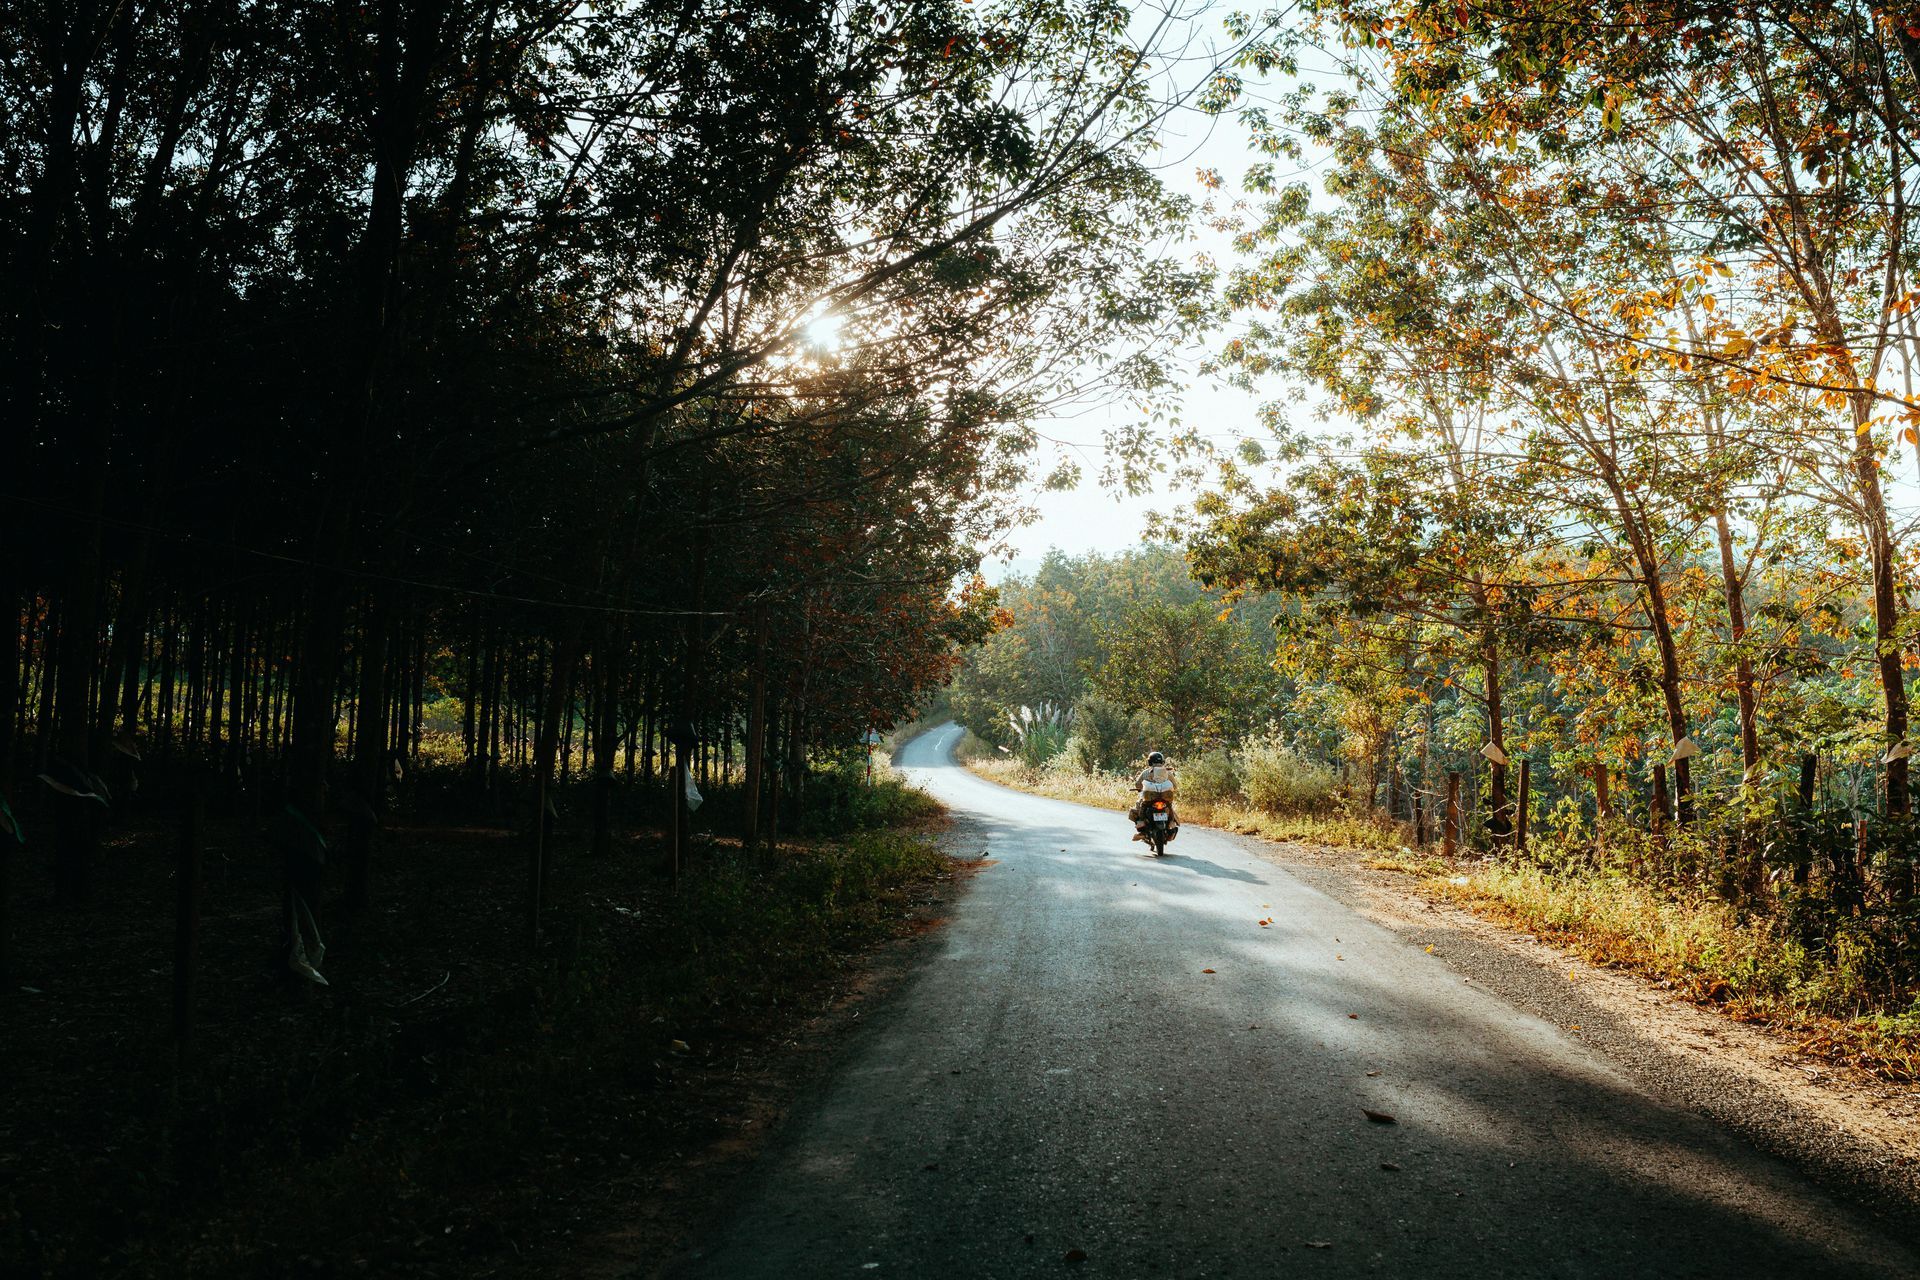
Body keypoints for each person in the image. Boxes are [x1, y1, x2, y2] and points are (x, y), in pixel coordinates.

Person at [1129, 750, 1178, 842]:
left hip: (1149, 799)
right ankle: (1171, 823)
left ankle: (1142, 830)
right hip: (1165, 799)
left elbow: (1137, 785)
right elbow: (1175, 786)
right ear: (1162, 761)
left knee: (1141, 806)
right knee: (1170, 807)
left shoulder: (1146, 772)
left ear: (1149, 762)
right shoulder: (1168, 773)